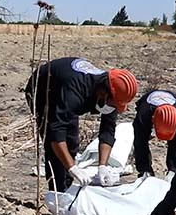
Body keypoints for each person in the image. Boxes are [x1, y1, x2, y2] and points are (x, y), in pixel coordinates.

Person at [25, 57, 138, 191]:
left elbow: (107, 131)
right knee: (56, 150)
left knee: (72, 144)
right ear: (102, 93)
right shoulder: (74, 94)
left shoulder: (113, 96)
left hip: (65, 91)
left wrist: (102, 166)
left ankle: (66, 186)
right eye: (113, 104)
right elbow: (55, 133)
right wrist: (72, 168)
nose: (113, 108)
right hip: (42, 90)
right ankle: (58, 193)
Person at [132, 89, 176, 181]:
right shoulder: (142, 116)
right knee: (141, 139)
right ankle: (146, 171)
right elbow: (140, 143)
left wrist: (175, 170)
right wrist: (144, 170)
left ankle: (173, 171)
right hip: (147, 103)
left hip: (172, 102)